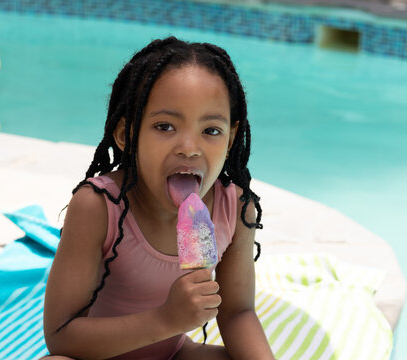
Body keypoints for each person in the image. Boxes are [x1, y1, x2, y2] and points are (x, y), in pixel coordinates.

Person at [43, 37, 275, 359]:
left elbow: (237, 313)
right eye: (165, 126)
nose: (189, 147)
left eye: (211, 130)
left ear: (231, 137)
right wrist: (166, 319)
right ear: (127, 135)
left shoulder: (234, 209)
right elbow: (61, 337)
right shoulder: (98, 206)